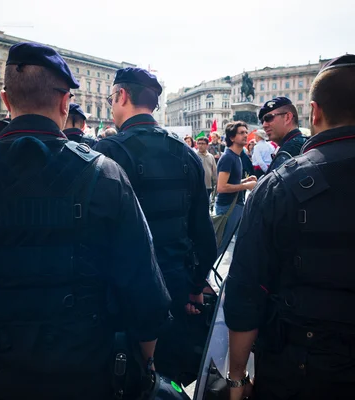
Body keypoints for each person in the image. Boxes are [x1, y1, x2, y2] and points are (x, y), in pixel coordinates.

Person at [0, 43, 171, 400]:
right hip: (87, 376)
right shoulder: (106, 176)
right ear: (64, 103)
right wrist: (144, 365)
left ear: (5, 99)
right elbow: (145, 291)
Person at [223, 55, 355, 400]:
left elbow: (246, 288)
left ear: (314, 112)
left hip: (296, 375)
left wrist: (236, 376)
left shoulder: (279, 185)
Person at [95, 67, 217, 385]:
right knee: (166, 381)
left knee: (122, 380)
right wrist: (194, 286)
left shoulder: (104, 155)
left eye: (111, 98)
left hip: (117, 296)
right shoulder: (186, 155)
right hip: (174, 288)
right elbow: (205, 236)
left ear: (121, 95)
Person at [215, 122, 257, 257]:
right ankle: (203, 275)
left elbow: (230, 182)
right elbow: (221, 187)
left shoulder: (236, 156)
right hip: (228, 207)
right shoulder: (228, 157)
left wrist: (245, 180)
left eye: (246, 132)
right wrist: (245, 186)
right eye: (241, 133)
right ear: (232, 138)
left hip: (235, 206)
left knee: (241, 243)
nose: (246, 135)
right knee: (221, 245)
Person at [259, 96, 306, 173]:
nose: (264, 125)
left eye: (268, 118)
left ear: (287, 117)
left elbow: (274, 184)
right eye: (262, 121)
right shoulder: (300, 143)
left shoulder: (290, 149)